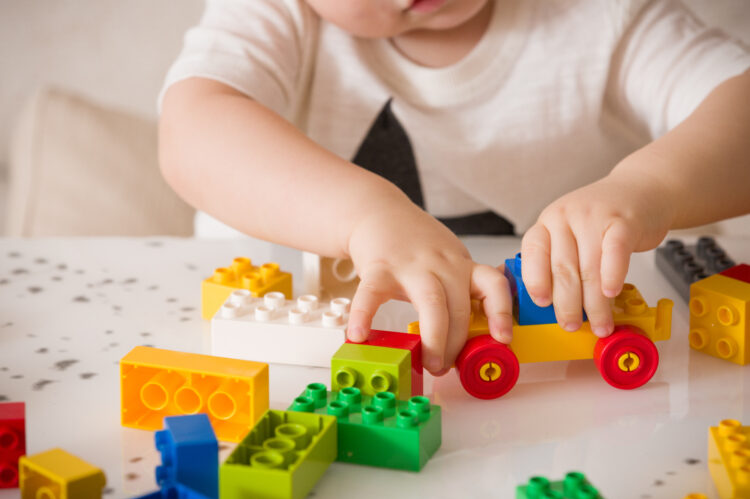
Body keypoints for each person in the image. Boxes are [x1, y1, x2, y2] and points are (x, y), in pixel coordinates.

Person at [158, 0, 750, 375]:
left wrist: (650, 186)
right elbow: (193, 130)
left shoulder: (606, 15)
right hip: (279, 357)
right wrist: (365, 217)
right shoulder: (276, 12)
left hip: (544, 355)